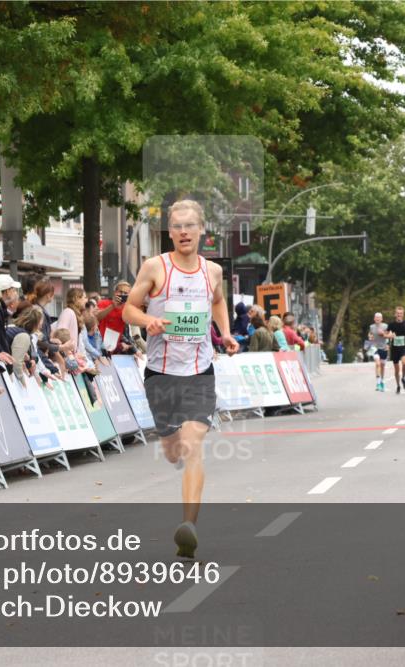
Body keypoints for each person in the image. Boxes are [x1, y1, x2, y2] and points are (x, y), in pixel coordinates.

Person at [121, 199, 239, 560]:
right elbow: (128, 309)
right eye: (177, 226)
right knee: (173, 448)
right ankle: (170, 443)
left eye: (190, 225)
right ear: (169, 232)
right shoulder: (155, 267)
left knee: (192, 447)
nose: (184, 232)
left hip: (200, 372)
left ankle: (189, 526)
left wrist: (225, 333)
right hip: (161, 374)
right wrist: (148, 321)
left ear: (201, 229)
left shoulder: (212, 271)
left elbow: (218, 302)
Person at [96, 281, 134, 354]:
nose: (122, 295)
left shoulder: (127, 309)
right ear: (115, 292)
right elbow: (97, 318)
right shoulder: (103, 303)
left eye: (125, 293)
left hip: (113, 347)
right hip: (99, 343)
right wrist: (113, 306)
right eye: (120, 292)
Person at [387, 306, 405, 394]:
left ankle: (403, 378)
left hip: (403, 348)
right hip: (394, 349)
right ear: (395, 314)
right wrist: (390, 336)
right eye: (397, 313)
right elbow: (385, 334)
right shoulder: (391, 325)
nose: (399, 315)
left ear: (403, 314)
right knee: (396, 369)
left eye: (401, 313)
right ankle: (398, 385)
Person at [368, 312, 389, 392]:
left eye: (379, 318)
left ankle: (382, 381)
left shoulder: (385, 326)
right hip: (374, 348)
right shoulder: (371, 327)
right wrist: (370, 337)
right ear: (374, 319)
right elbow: (370, 334)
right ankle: (378, 383)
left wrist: (383, 333)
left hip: (383, 348)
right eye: (376, 317)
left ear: (381, 319)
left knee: (382, 366)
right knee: (377, 364)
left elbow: (389, 335)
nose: (377, 319)